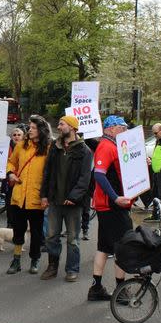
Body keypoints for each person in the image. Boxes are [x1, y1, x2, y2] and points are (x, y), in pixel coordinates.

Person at [40, 115, 92, 282]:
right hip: (55, 201)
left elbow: (85, 178)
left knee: (73, 239)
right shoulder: (55, 147)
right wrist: (44, 195)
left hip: (73, 204)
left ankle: (72, 269)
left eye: (62, 124)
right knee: (51, 236)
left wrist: (74, 196)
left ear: (72, 127)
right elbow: (47, 173)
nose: (59, 127)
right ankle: (52, 267)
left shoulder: (84, 151)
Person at [87, 116, 133, 301]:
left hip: (108, 206)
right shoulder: (106, 146)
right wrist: (115, 198)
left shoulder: (110, 145)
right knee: (124, 247)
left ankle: (96, 288)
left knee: (104, 247)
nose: (125, 131)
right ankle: (121, 291)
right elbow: (99, 174)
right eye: (122, 128)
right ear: (111, 128)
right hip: (112, 206)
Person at [6, 115, 52, 275]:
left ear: (41, 130)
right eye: (29, 127)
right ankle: (16, 259)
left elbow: (51, 173)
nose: (29, 130)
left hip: (37, 197)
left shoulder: (48, 148)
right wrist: (11, 173)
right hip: (19, 196)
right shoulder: (21, 145)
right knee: (18, 229)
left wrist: (47, 196)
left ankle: (35, 259)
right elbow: (11, 162)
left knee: (37, 231)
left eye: (33, 128)